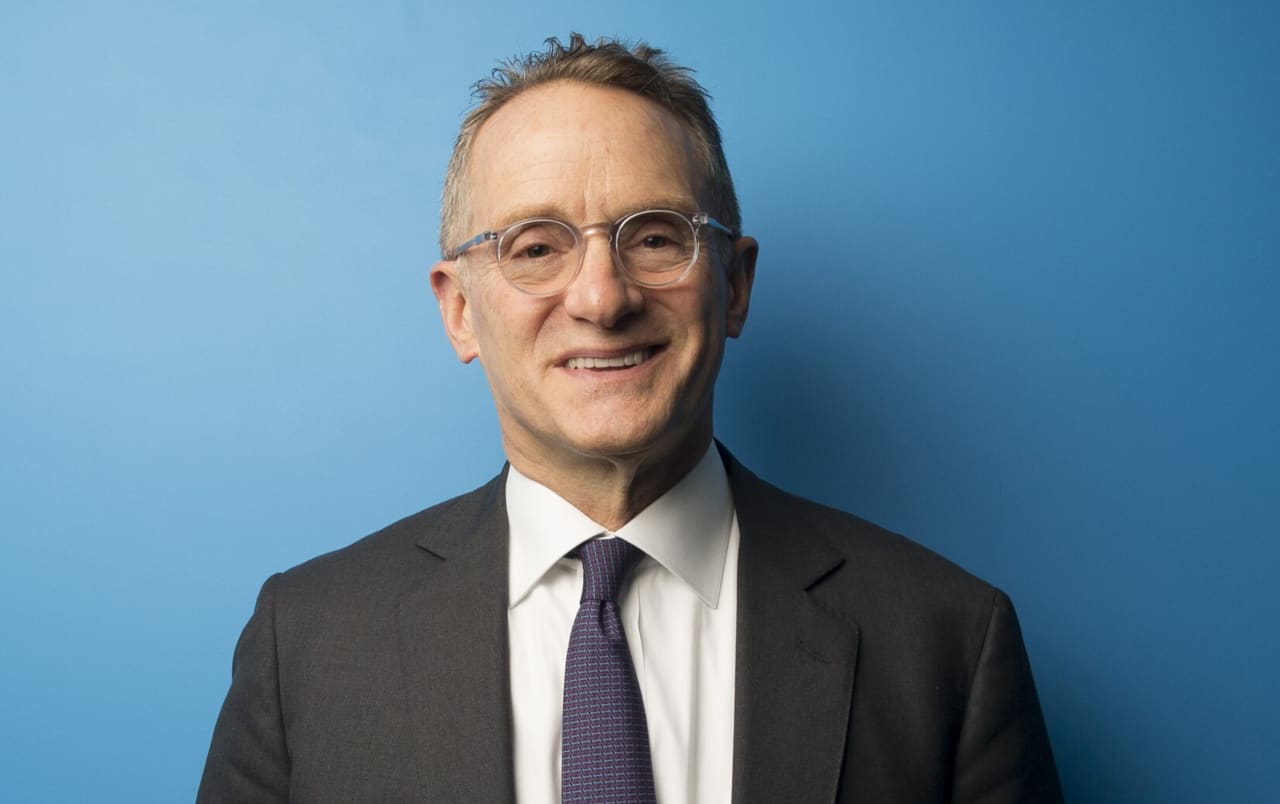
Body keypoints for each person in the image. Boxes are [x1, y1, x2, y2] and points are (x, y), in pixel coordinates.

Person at [197, 33, 1063, 803]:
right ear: (460, 311)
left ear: (734, 285)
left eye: (654, 237)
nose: (602, 298)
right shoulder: (305, 641)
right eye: (536, 247)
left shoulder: (946, 639)